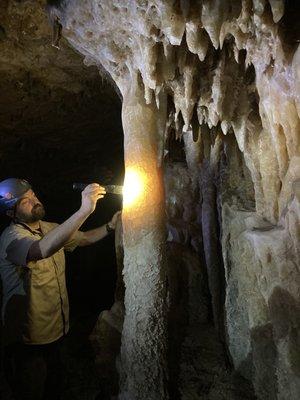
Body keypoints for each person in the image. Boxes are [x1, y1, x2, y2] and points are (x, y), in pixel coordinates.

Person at [0, 178, 121, 400]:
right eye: (25, 201)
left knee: (56, 384)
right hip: (28, 339)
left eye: (33, 194)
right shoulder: (11, 239)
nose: (34, 201)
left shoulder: (50, 228)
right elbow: (42, 249)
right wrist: (84, 210)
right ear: (11, 213)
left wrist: (110, 226)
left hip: (57, 328)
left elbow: (82, 238)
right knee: (31, 389)